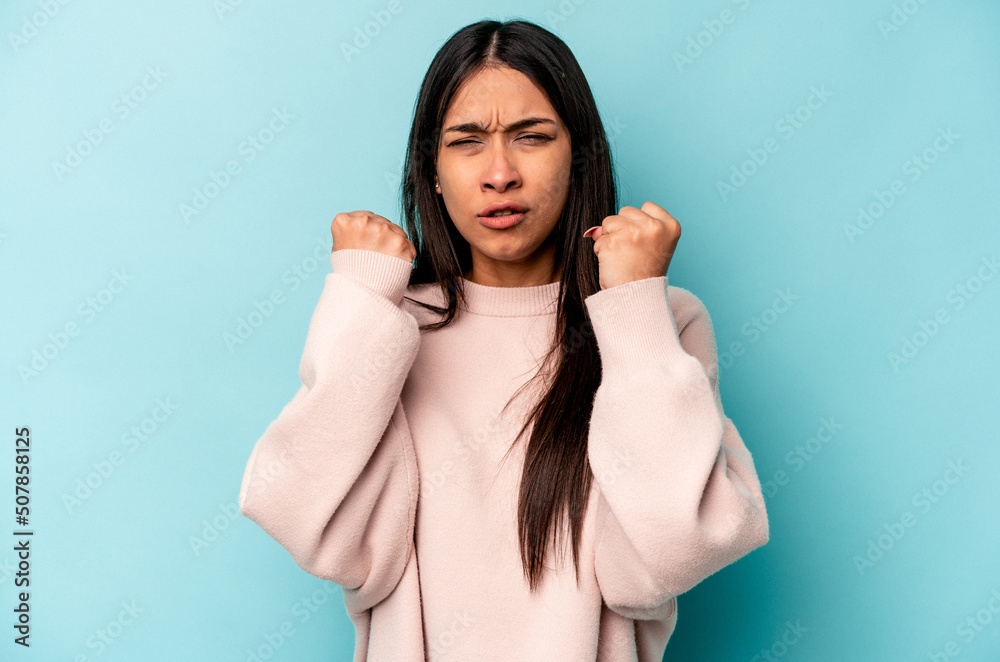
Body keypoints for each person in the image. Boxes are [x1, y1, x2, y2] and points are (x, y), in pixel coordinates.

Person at [238, 18, 769, 662]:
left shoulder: (658, 323)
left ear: (579, 157)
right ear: (431, 171)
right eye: (466, 141)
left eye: (532, 137)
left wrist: (631, 306)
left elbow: (662, 558)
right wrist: (360, 298)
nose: (499, 174)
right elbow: (311, 525)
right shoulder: (390, 325)